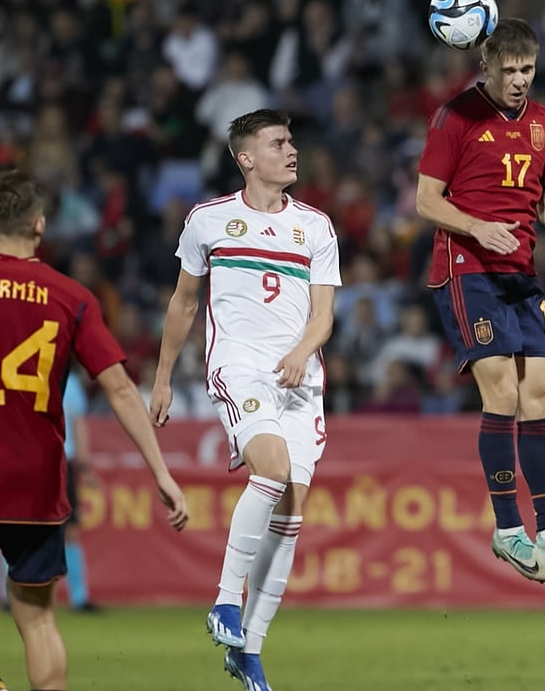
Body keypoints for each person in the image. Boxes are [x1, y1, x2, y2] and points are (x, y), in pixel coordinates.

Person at [0, 170, 189, 691]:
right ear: (40, 225)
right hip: (39, 480)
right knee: (38, 617)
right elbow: (119, 389)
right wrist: (159, 471)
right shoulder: (71, 297)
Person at [416, 18, 545, 583]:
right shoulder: (455, 116)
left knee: (541, 392)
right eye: (508, 70)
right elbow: (425, 201)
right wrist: (477, 228)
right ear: (485, 67)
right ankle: (509, 529)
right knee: (504, 390)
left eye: (527, 69)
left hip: (520, 275)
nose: (518, 80)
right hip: (467, 270)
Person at [149, 109, 339, 691]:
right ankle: (226, 602)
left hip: (301, 378)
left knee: (292, 510)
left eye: (292, 142)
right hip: (241, 367)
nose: (292, 151)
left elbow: (324, 315)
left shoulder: (317, 227)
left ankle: (248, 652)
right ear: (246, 157)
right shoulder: (208, 221)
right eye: (278, 143)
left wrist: (302, 351)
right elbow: (184, 304)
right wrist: (161, 377)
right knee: (273, 471)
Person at [0, 367, 99, 612]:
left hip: (62, 462)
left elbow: (77, 424)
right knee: (15, 528)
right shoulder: (18, 374)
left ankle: (79, 598)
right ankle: (8, 596)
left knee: (70, 530)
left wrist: (84, 465)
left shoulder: (70, 382)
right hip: (27, 459)